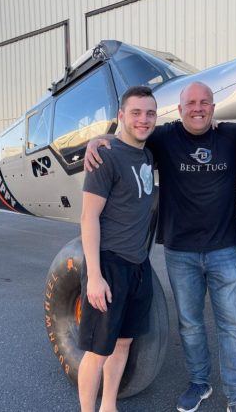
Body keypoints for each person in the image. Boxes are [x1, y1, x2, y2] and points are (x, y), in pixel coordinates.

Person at [85, 81, 236, 412]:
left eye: (204, 103)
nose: (198, 108)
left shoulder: (231, 134)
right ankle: (199, 382)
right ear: (180, 109)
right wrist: (98, 140)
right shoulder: (162, 137)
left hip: (223, 249)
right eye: (191, 103)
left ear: (213, 109)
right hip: (179, 251)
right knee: (190, 323)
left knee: (231, 325)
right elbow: (129, 134)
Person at [78, 85, 157, 412]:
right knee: (98, 351)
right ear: (120, 116)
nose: (143, 119)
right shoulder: (104, 157)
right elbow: (88, 217)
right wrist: (94, 277)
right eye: (135, 113)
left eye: (150, 113)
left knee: (123, 343)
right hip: (109, 265)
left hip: (139, 266)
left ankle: (108, 405)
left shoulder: (147, 154)